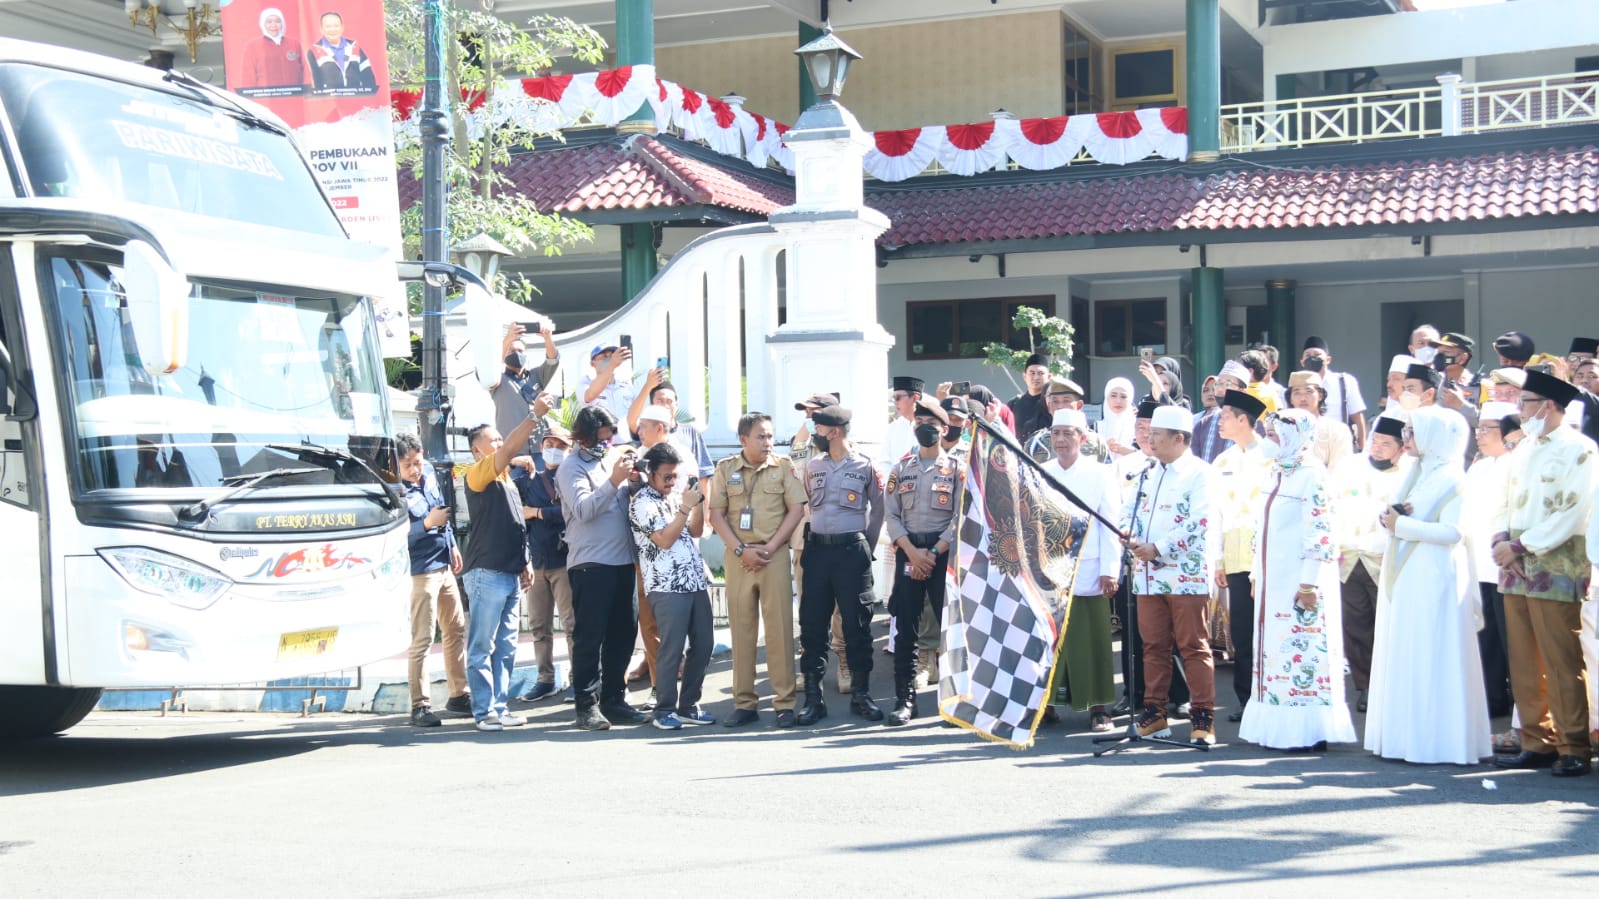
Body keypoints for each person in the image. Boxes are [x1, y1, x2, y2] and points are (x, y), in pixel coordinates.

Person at [1365, 407, 1492, 765]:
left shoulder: (1453, 478)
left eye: (1411, 432)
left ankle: (1437, 741)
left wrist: (1402, 526)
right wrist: (1392, 520)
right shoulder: (1417, 473)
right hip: (1409, 576)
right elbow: (1400, 517)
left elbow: (1454, 532)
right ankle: (1404, 738)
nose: (1406, 439)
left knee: (1432, 654)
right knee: (1408, 650)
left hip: (1436, 577)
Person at [1492, 370, 1597, 777]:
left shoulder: (1580, 450)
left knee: (1560, 657)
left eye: (1525, 402)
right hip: (1515, 561)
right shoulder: (1525, 448)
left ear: (1549, 405)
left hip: (1555, 559)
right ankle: (1537, 739)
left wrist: (1518, 546)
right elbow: (1503, 499)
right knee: (1523, 658)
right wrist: (1502, 539)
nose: (1519, 411)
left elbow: (1573, 512)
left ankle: (1573, 744)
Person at [1237, 409, 1357, 752]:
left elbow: (1321, 534)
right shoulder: (1276, 472)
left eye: (1276, 434)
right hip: (1272, 583)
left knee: (1302, 655)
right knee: (1276, 656)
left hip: (1299, 584)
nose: (1270, 439)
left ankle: (1308, 732)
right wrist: (1255, 573)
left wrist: (1309, 583)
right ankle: (1278, 729)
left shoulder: (1311, 474)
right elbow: (1261, 529)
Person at [1123, 405, 1218, 745]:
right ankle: (1154, 713)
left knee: (1193, 646)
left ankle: (1203, 717)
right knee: (1153, 647)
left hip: (1185, 575)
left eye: (1157, 436)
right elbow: (1128, 510)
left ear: (1179, 438)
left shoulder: (1200, 473)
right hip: (1147, 575)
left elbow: (1200, 521)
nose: (1150, 440)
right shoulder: (1148, 471)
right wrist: (1128, 534)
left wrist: (1159, 547)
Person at [708, 412, 807, 728]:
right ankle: (744, 702)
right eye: (760, 436)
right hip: (739, 558)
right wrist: (740, 549)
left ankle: (784, 702)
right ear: (743, 439)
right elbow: (716, 515)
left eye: (769, 436)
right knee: (742, 629)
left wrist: (774, 545)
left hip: (773, 554)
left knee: (779, 629)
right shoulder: (725, 470)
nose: (767, 442)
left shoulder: (783, 466)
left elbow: (796, 509)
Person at [559, 405, 648, 731]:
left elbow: (627, 504)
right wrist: (613, 481)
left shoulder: (611, 461)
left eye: (611, 437)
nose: (608, 443)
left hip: (623, 561)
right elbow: (583, 510)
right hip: (591, 564)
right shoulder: (570, 468)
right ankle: (586, 705)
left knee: (623, 635)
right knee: (589, 637)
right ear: (583, 436)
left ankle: (614, 699)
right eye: (602, 437)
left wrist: (635, 483)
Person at [797, 405, 886, 725]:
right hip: (818, 552)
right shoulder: (813, 464)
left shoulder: (864, 465)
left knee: (858, 627)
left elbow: (878, 509)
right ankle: (812, 698)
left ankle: (861, 695)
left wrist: (866, 546)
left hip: (852, 552)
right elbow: (807, 501)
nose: (814, 432)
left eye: (818, 427)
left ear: (834, 431)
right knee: (812, 627)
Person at [460, 411, 543, 733]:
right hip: (487, 573)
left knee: (506, 646)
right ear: (477, 450)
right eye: (492, 440)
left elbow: (515, 524)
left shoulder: (506, 478)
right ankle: (483, 711)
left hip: (509, 573)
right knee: (483, 645)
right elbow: (507, 452)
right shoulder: (477, 473)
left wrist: (526, 561)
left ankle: (499, 705)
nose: (499, 443)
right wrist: (534, 416)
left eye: (499, 437)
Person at [882, 398, 964, 726]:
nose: (924, 429)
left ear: (944, 430)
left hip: (941, 555)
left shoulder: (957, 469)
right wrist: (913, 553)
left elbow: (960, 517)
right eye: (919, 424)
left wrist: (932, 553)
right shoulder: (901, 468)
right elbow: (891, 515)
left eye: (931, 424)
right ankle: (905, 700)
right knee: (906, 629)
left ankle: (952, 702)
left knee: (950, 631)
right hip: (908, 552)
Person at [1040, 408, 1120, 732]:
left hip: (1089, 568)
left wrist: (1111, 569)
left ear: (1082, 438)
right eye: (1055, 433)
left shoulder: (1100, 474)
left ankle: (1099, 707)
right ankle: (1045, 705)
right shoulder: (1040, 471)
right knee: (1049, 639)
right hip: (1049, 570)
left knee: (1092, 638)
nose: (1060, 439)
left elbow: (1112, 524)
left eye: (1067, 433)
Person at [628, 443, 716, 730]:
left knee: (703, 644)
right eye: (666, 476)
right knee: (672, 647)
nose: (671, 481)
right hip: (665, 585)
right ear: (650, 473)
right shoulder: (642, 502)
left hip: (693, 580)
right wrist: (684, 508)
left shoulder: (676, 497)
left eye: (675, 476)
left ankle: (689, 705)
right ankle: (664, 709)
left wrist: (698, 503)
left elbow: (696, 530)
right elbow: (664, 540)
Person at [1334, 415, 1410, 714]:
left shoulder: (1408, 475)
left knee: (1388, 625)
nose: (1377, 448)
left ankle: (1391, 685)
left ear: (1401, 449)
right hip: (1351, 556)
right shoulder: (1350, 467)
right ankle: (1364, 686)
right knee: (1356, 627)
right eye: (1375, 441)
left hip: (1385, 559)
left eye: (1386, 444)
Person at [397, 431, 467, 727]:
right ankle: (420, 705)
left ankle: (459, 694)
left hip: (443, 562)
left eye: (417, 461)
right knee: (423, 638)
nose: (415, 469)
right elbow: (399, 535)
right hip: (420, 570)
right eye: (408, 465)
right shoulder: (394, 490)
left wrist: (452, 544)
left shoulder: (428, 475)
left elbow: (443, 511)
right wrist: (426, 524)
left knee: (456, 628)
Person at [1211, 389, 1271, 722]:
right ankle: (1246, 699)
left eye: (1225, 416)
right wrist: (1218, 559)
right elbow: (1217, 514)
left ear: (1242, 419)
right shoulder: (1223, 461)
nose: (1220, 421)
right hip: (1234, 557)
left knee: (1270, 628)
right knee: (1242, 632)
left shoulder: (1273, 456)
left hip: (1265, 556)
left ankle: (1271, 695)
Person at [1461, 403, 1521, 722]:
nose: (1481, 435)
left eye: (1488, 429)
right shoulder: (1478, 467)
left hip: (1505, 564)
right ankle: (1493, 696)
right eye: (1478, 429)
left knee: (1511, 636)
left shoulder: (1517, 464)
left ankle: (1518, 704)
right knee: (1486, 635)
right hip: (1477, 563)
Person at [517, 425, 575, 703]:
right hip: (538, 561)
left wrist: (538, 512)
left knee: (572, 624)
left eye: (561, 446)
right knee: (539, 626)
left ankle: (580, 678)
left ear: (570, 450)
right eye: (550, 444)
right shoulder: (530, 480)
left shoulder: (572, 477)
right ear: (541, 447)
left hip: (565, 561)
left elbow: (571, 513)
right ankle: (545, 678)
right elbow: (517, 513)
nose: (554, 450)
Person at [493, 323, 559, 457]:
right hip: (512, 450)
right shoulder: (497, 380)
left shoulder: (536, 376)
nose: (517, 354)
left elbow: (553, 360)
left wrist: (547, 338)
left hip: (538, 449)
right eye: (512, 351)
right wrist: (508, 338)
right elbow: (489, 368)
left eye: (520, 351)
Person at [1300, 336, 1367, 451]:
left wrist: (1362, 448)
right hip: (1308, 448)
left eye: (1317, 355)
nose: (1312, 358)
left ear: (1328, 359)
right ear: (1302, 362)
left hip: (1339, 446)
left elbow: (1357, 417)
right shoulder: (1297, 386)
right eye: (1308, 355)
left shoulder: (1345, 381)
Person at [1287, 370, 1354, 470]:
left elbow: (1340, 470)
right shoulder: (1281, 429)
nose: (1303, 398)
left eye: (1309, 392)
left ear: (1320, 395)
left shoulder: (1338, 430)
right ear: (1291, 398)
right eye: (1297, 393)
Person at [578, 343, 638, 443]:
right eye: (604, 356)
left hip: (627, 444)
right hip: (600, 445)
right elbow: (590, 395)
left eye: (611, 356)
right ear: (593, 363)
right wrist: (612, 365)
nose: (609, 359)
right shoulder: (585, 383)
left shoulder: (626, 387)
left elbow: (636, 416)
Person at [307, 11, 377, 94]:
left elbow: (368, 78)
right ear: (321, 29)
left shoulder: (355, 48)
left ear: (342, 27)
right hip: (330, 103)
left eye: (336, 26)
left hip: (356, 101)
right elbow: (315, 82)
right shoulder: (314, 51)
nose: (332, 29)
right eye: (328, 26)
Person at [239, 7, 305, 93]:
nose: (273, 25)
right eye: (269, 22)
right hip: (266, 96)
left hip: (294, 95)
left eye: (277, 21)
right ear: (263, 24)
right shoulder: (253, 46)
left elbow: (305, 72)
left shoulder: (294, 44)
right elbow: (248, 76)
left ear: (282, 23)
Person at [1008, 354, 1053, 439]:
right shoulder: (1013, 404)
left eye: (1041, 373)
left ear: (1049, 376)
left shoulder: (1052, 404)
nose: (1036, 377)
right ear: (1024, 376)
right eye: (1032, 373)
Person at [1190, 375, 1230, 464]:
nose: (1210, 394)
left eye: (1214, 389)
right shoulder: (1194, 419)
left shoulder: (1228, 418)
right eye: (1205, 390)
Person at [1096, 377, 1137, 459]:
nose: (1118, 401)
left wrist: (1131, 451)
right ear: (1106, 398)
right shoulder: (1095, 428)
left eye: (1123, 396)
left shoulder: (1139, 427)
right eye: (1113, 396)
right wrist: (1102, 448)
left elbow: (1151, 457)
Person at [1373, 355, 1418, 422]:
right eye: (1388, 379)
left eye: (1396, 379)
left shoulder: (1424, 415)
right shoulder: (1385, 416)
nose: (1389, 384)